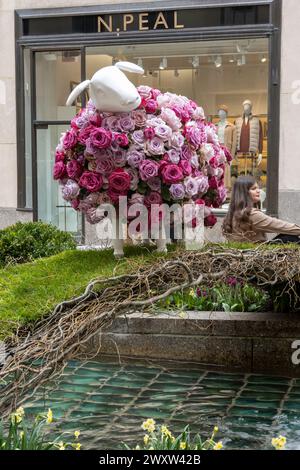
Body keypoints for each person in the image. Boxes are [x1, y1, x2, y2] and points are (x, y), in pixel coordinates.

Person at [222, 175, 300, 244]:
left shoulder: (234, 213)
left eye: (258, 188)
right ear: (244, 193)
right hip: (255, 256)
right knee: (291, 237)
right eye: (253, 188)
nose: (258, 191)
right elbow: (282, 226)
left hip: (245, 255)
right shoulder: (251, 214)